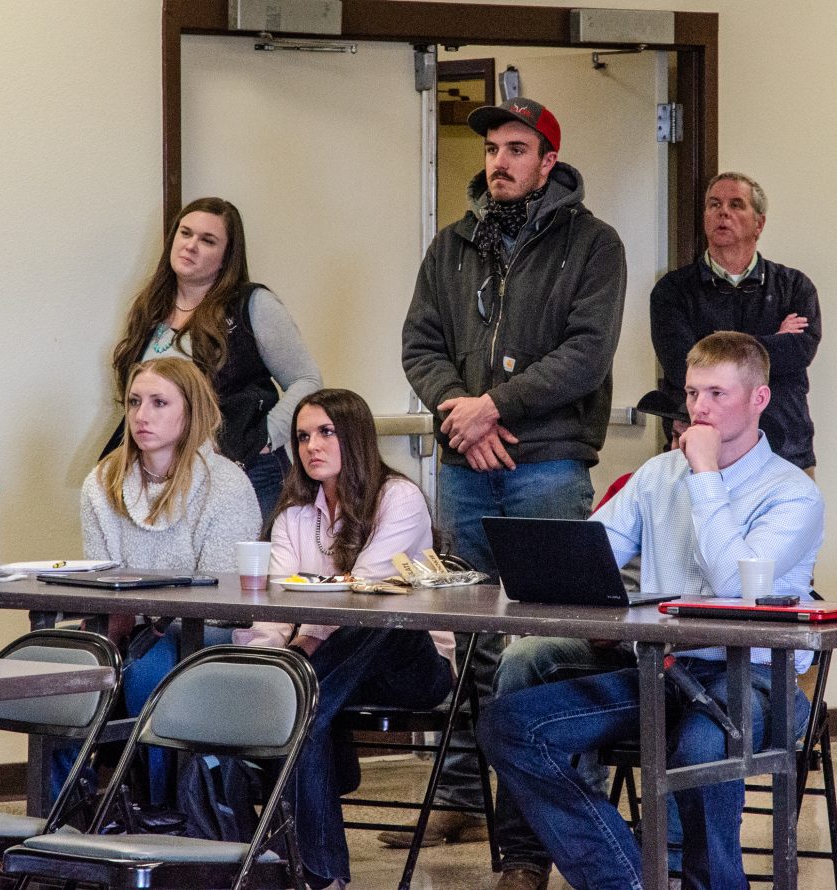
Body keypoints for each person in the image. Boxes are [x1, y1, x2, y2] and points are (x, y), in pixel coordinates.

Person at [477, 332, 825, 890]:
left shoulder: (791, 493)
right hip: (661, 671)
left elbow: (733, 581)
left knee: (701, 745)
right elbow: (594, 551)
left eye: (717, 393)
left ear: (759, 399)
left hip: (760, 679)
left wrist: (706, 475)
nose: (699, 409)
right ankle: (629, 877)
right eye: (692, 394)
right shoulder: (658, 476)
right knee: (511, 726)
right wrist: (543, 567)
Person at [396, 96, 626, 854]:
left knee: (541, 648)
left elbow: (585, 355)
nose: (499, 161)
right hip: (468, 469)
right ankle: (463, 800)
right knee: (468, 644)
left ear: (548, 161)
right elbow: (420, 346)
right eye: (493, 148)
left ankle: (531, 841)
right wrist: (458, 410)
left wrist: (492, 405)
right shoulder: (452, 245)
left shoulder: (594, 244)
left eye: (516, 148)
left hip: (548, 468)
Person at [231, 389, 455, 890]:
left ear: (354, 437)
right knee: (300, 705)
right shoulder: (293, 516)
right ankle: (323, 876)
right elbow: (274, 605)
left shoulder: (400, 496)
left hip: (411, 665)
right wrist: (267, 660)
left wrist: (301, 651)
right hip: (332, 676)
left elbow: (366, 591)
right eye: (303, 436)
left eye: (326, 432)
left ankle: (297, 702)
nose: (312, 446)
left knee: (378, 617)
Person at [77, 356, 262, 802]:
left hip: (206, 630)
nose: (142, 416)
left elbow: (220, 593)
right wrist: (112, 629)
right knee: (58, 674)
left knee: (149, 673)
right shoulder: (101, 482)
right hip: (127, 624)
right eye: (135, 402)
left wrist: (146, 620)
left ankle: (164, 811)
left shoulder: (226, 484)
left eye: (159, 403)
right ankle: (59, 819)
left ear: (190, 411)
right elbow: (102, 580)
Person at [107, 196, 321, 520]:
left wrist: (266, 437)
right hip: (167, 477)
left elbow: (307, 381)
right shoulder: (150, 307)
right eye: (185, 233)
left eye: (207, 240)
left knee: (249, 572)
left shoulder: (253, 305)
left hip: (244, 471)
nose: (191, 246)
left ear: (225, 258)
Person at [650, 172, 821, 474]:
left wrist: (712, 344)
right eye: (714, 204)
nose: (723, 212)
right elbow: (681, 364)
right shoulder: (672, 291)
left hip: (785, 452)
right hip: (700, 456)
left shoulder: (794, 287)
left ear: (759, 223)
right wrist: (771, 340)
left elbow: (797, 352)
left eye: (736, 204)